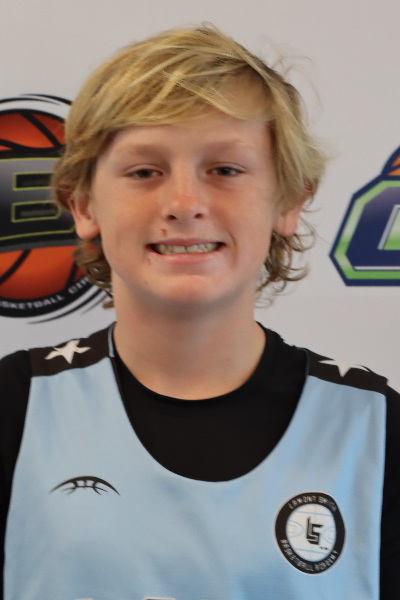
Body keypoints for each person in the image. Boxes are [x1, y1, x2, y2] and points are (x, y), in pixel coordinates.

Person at [1, 24, 399, 600]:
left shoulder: (370, 426)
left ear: (289, 199)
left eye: (225, 170)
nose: (184, 204)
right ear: (83, 205)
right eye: (145, 171)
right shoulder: (18, 405)